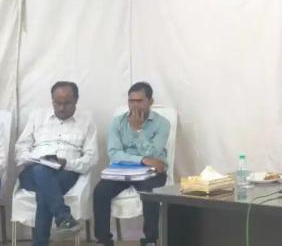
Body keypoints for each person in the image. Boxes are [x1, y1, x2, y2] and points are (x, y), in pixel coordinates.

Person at [15, 81, 98, 246]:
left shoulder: (87, 122)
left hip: (65, 172)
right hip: (32, 173)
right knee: (41, 171)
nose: (61, 108)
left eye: (67, 103)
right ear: (52, 100)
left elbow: (91, 159)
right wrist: (34, 159)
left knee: (45, 190)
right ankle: (64, 217)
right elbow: (20, 149)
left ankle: (42, 241)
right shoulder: (37, 117)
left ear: (76, 100)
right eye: (57, 103)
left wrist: (66, 162)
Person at [93, 82, 170, 246]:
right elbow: (114, 153)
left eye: (139, 101)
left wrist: (138, 130)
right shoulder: (118, 122)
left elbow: (154, 154)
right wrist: (141, 159)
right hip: (123, 169)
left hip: (151, 170)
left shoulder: (162, 123)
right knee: (100, 192)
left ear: (150, 101)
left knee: (150, 193)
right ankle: (103, 240)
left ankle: (150, 240)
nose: (134, 105)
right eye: (131, 101)